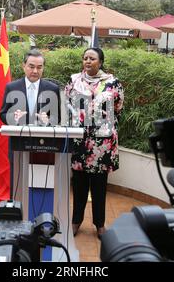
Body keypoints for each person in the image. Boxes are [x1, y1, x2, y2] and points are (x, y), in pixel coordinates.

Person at [65, 47, 124, 239]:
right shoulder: (74, 81)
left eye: (92, 58)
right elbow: (67, 106)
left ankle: (99, 224)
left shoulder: (113, 83)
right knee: (79, 185)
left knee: (99, 186)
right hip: (79, 141)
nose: (87, 61)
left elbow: (118, 109)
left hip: (102, 144)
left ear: (100, 62)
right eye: (85, 58)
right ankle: (76, 221)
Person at [0, 49, 60, 126]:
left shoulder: (53, 89)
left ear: (43, 68)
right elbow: (3, 114)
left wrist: (47, 121)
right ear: (24, 66)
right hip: (18, 136)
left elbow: (57, 117)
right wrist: (14, 118)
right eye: (31, 67)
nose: (35, 71)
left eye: (39, 67)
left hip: (42, 136)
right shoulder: (11, 87)